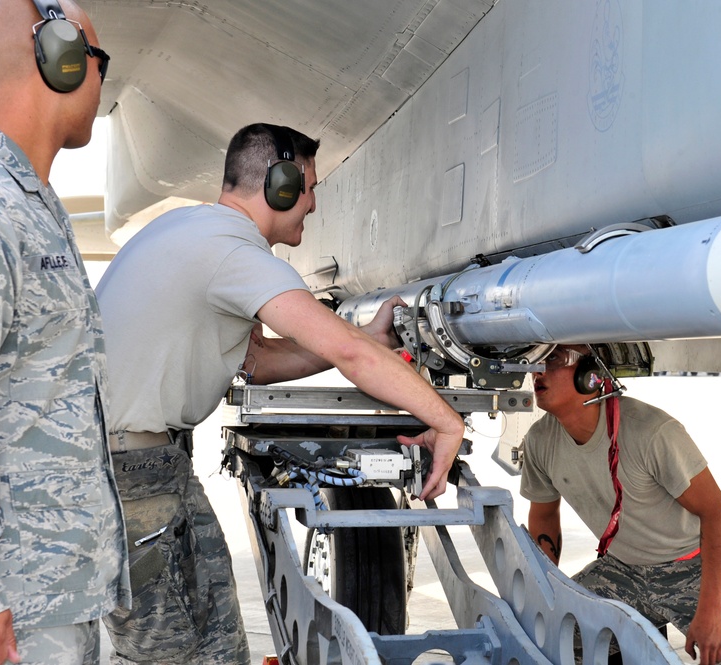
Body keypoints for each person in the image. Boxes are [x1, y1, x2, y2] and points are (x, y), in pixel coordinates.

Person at [95, 122, 466, 664]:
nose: (313, 205)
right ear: (281, 184)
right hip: (130, 474)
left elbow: (259, 361)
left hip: (153, 462)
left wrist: (368, 336)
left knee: (219, 645)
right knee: (166, 654)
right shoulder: (233, 253)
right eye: (309, 187)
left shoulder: (198, 232)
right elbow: (351, 358)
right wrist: (446, 420)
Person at [0, 1, 127, 664]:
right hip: (0, 618)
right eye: (98, 63)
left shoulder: (25, 203)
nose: (101, 85)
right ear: (62, 59)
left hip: (47, 597)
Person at [520, 345, 721, 665]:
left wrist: (709, 614)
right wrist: (544, 590)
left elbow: (718, 515)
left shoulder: (651, 431)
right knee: (549, 636)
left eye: (553, 360)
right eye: (535, 362)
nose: (537, 372)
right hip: (622, 569)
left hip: (695, 565)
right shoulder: (540, 440)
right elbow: (545, 514)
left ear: (589, 375)